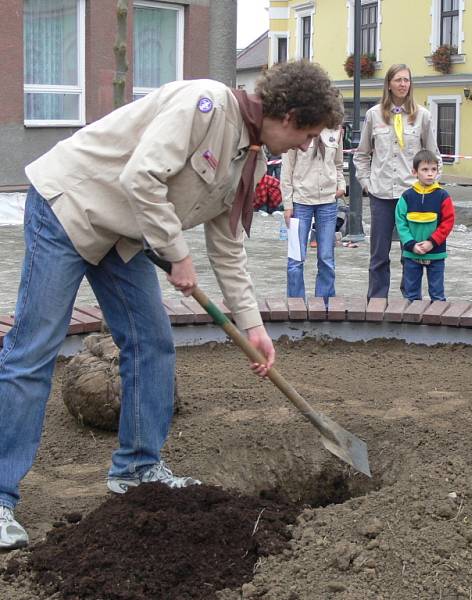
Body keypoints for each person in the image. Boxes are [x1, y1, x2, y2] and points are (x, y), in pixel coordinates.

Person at [0, 60, 343, 550]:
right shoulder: (203, 106)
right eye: (308, 134)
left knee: (152, 342)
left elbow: (227, 249)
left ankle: (137, 470)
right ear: (287, 116)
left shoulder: (249, 158)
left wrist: (253, 326)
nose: (307, 146)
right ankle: (0, 495)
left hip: (123, 233)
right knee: (34, 348)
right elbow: (142, 177)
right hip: (69, 208)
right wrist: (177, 254)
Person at [353, 64, 441, 299]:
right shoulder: (374, 115)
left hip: (411, 194)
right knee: (379, 253)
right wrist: (366, 183)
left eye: (407, 80)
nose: (403, 84)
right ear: (389, 84)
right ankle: (377, 300)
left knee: (410, 252)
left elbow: (434, 155)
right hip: (381, 193)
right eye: (398, 80)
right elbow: (361, 154)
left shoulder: (422, 116)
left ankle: (410, 299)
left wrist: (430, 188)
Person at [281, 126, 346, 300]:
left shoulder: (336, 131)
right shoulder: (296, 128)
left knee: (326, 258)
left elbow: (338, 164)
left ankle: (324, 303)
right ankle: (296, 303)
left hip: (328, 201)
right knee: (296, 259)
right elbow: (287, 169)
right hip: (300, 201)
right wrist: (288, 204)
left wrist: (342, 185)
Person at [395, 150, 455, 301]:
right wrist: (410, 244)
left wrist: (431, 242)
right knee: (412, 296)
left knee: (437, 295)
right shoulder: (407, 196)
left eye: (433, 170)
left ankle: (438, 322)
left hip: (436, 253)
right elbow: (401, 223)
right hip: (411, 254)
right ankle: (412, 322)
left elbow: (447, 223)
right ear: (414, 172)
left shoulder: (443, 196)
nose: (430, 174)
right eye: (425, 170)